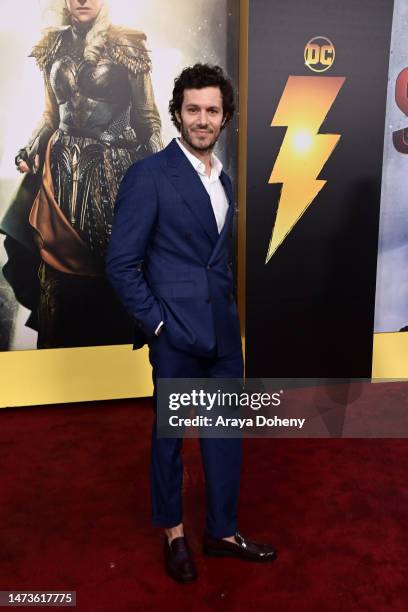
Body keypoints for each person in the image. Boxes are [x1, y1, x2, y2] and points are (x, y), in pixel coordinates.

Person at [106, 64, 277, 583]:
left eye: (213, 111)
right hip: (175, 335)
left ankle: (222, 532)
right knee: (171, 439)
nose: (203, 120)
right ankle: (174, 534)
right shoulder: (150, 175)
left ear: (225, 118)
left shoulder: (222, 177)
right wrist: (158, 326)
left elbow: (213, 260)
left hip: (224, 334)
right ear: (179, 112)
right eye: (193, 109)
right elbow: (120, 264)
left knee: (225, 435)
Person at [0, 0, 162, 348]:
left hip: (111, 175)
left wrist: (164, 182)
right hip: (58, 178)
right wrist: (29, 147)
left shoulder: (127, 45)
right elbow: (49, 114)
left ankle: (117, 371)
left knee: (113, 274)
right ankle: (59, 370)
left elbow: (148, 120)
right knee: (56, 281)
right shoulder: (52, 46)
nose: (83, 0)